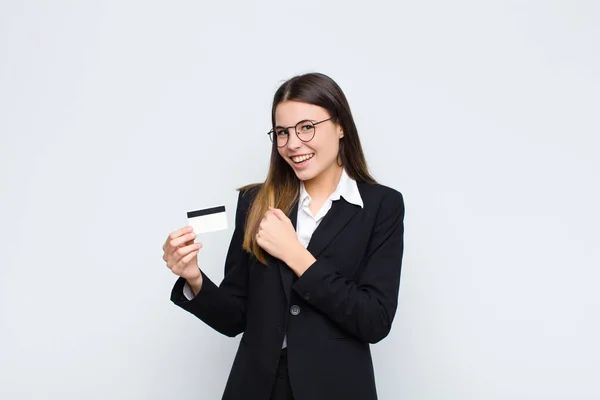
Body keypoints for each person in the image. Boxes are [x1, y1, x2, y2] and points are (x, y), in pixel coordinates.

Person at [162, 72, 405, 400]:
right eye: (282, 132)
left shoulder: (381, 205)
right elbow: (236, 318)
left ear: (341, 126)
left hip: (337, 387)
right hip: (258, 387)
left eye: (307, 127)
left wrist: (296, 255)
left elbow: (374, 320)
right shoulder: (255, 202)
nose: (292, 144)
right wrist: (194, 279)